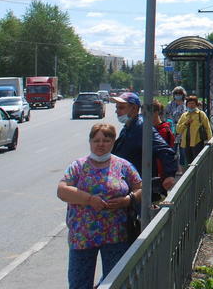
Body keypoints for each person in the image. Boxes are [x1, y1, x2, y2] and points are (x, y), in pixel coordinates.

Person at [57, 123, 142, 289]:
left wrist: (128, 199)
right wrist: (89, 199)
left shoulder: (122, 165)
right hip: (82, 236)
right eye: (96, 140)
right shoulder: (78, 166)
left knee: (115, 281)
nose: (101, 144)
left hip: (115, 235)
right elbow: (62, 191)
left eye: (106, 140)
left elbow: (141, 187)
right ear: (90, 142)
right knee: (79, 283)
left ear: (113, 142)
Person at [110, 92, 177, 197]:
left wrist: (169, 174)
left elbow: (165, 150)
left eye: (121, 108)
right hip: (128, 183)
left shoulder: (142, 127)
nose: (117, 111)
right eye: (117, 107)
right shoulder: (129, 126)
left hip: (140, 186)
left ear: (134, 108)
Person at [175, 95, 213, 165]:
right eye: (189, 103)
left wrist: (210, 141)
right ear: (187, 105)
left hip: (197, 142)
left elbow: (207, 127)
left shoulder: (201, 114)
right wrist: (186, 123)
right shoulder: (184, 115)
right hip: (186, 143)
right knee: (189, 163)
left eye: (193, 103)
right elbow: (178, 130)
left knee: (197, 163)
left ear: (196, 104)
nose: (191, 105)